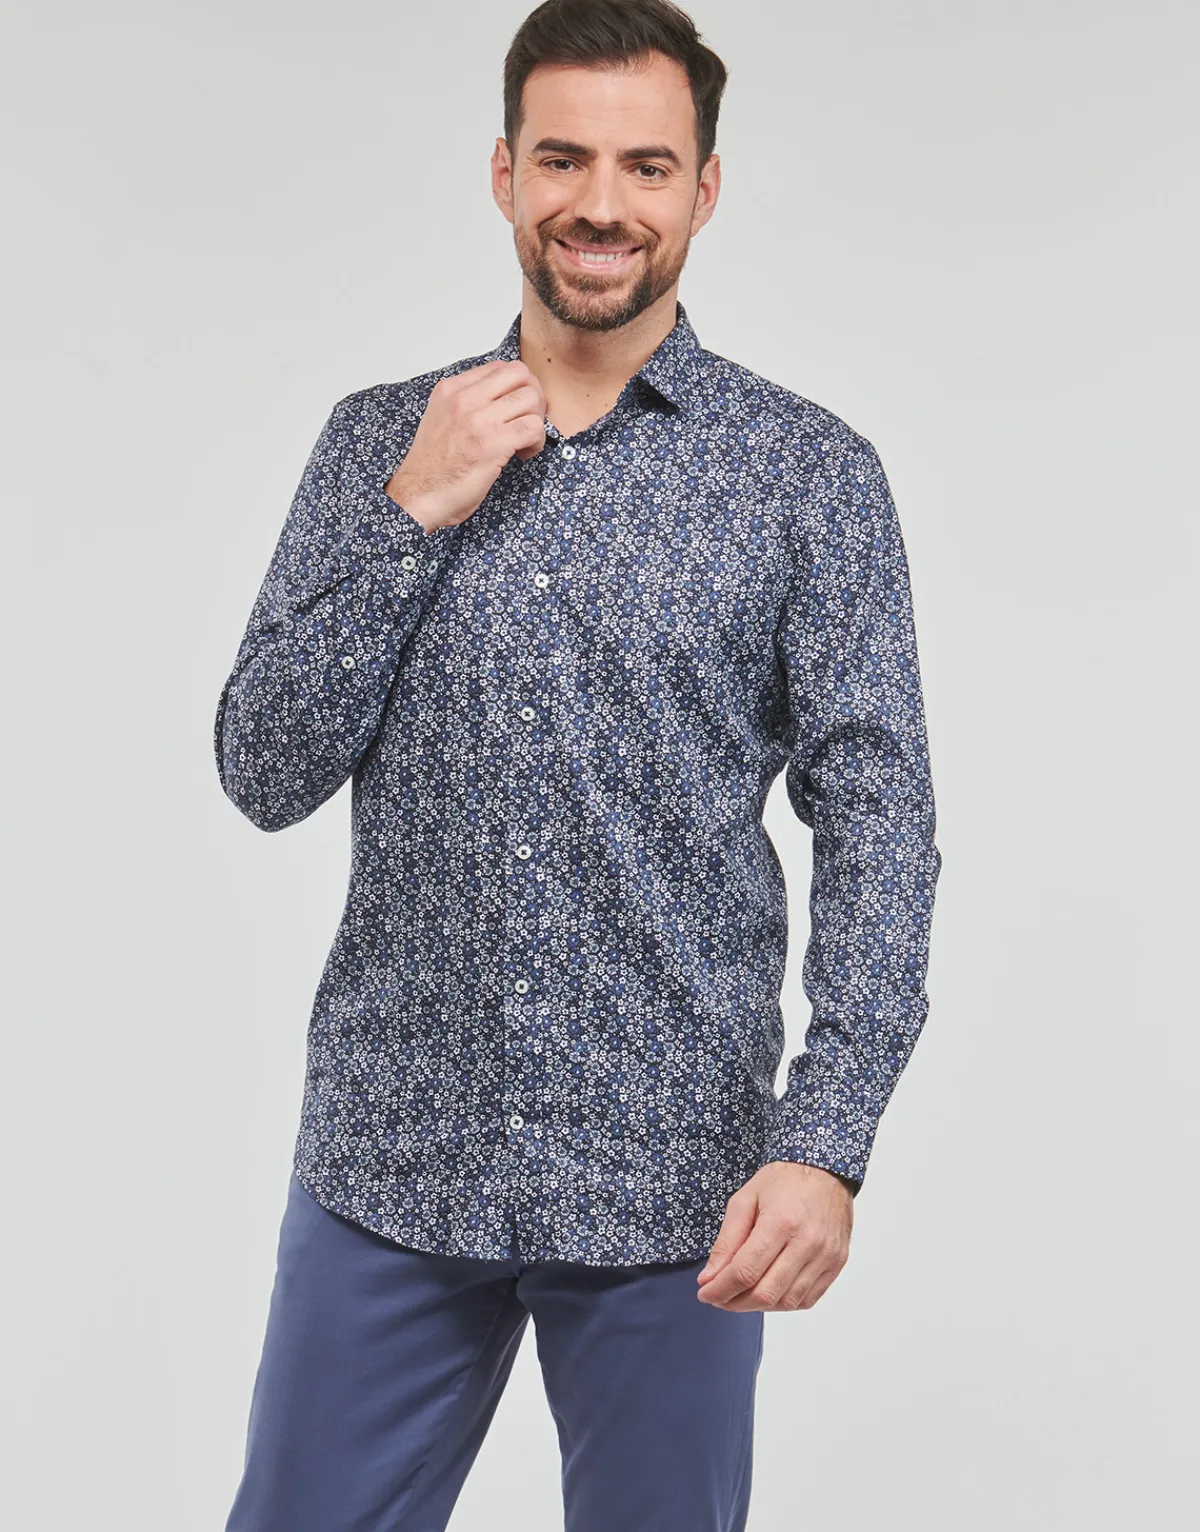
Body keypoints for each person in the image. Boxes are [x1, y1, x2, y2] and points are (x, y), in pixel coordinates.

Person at [213, 2, 942, 1527]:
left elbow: (879, 823)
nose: (600, 204)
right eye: (562, 159)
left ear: (703, 189)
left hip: (676, 1186)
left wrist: (827, 1143)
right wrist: (415, 512)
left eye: (645, 166)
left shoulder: (805, 475)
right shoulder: (378, 443)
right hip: (392, 1160)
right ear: (503, 172)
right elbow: (264, 768)